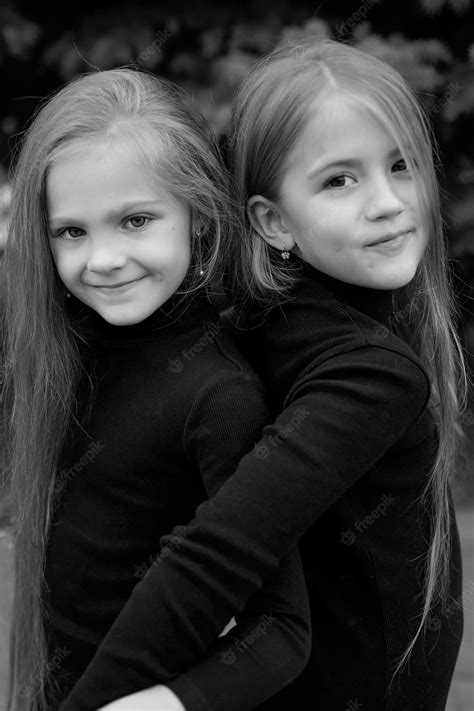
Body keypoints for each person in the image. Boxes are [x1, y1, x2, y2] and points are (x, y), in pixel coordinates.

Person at [55, 39, 469, 711]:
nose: (388, 202)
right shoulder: (366, 373)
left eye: (402, 165)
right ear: (272, 221)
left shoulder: (260, 320)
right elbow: (220, 546)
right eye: (340, 179)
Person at [2, 67, 312, 711]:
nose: (103, 258)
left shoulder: (218, 396)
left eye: (136, 220)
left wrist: (167, 702)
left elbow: (282, 629)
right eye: (72, 231)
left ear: (198, 215)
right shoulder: (71, 353)